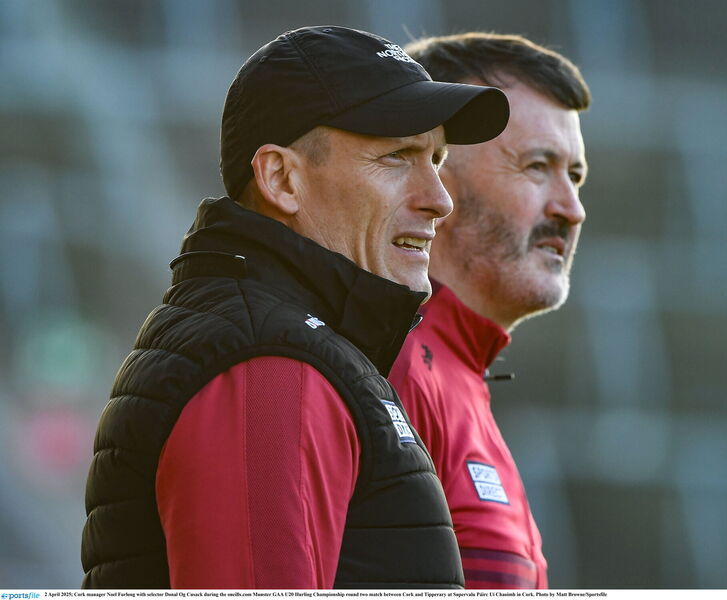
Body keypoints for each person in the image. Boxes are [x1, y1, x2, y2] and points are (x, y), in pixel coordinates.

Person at [80, 25, 509, 589]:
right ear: (281, 178)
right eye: (399, 156)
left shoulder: (285, 347)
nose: (439, 198)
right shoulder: (268, 365)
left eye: (437, 158)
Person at [388, 33, 591, 589]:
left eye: (574, 176)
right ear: (434, 179)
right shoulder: (395, 366)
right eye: (537, 166)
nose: (570, 209)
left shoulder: (455, 373)